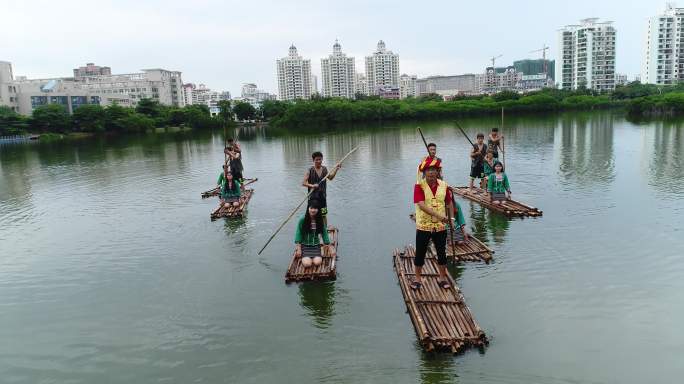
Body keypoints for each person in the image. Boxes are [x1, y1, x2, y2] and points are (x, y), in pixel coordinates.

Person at [412, 165, 456, 290]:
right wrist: (440, 216)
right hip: (424, 226)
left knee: (442, 253)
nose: (431, 173)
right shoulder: (419, 186)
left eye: (433, 170)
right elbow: (421, 205)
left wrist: (451, 219)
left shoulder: (443, 185)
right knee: (420, 253)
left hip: (440, 226)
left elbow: (449, 202)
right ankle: (417, 279)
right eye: (428, 170)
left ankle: (442, 278)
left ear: (438, 172)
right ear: (425, 173)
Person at [302, 151, 340, 226]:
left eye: (320, 159)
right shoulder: (310, 170)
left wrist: (336, 169)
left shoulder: (324, 169)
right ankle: (312, 230)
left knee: (323, 214)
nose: (319, 161)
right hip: (312, 198)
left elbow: (331, 178)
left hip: (322, 197)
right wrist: (312, 186)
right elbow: (303, 183)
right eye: (317, 160)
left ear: (322, 159)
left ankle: (324, 230)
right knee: (312, 215)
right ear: (313, 160)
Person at [294, 200, 335, 268]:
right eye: (311, 208)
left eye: (315, 208)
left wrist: (329, 246)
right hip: (305, 246)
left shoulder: (320, 220)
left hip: (316, 246)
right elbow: (299, 233)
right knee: (307, 264)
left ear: (318, 210)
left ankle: (319, 252)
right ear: (308, 208)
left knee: (317, 263)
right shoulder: (302, 220)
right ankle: (306, 257)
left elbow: (324, 233)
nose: (313, 210)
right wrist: (298, 248)